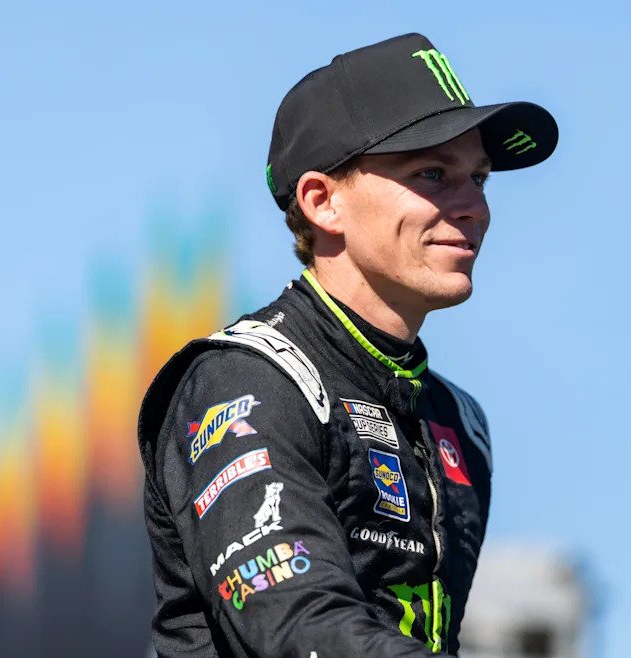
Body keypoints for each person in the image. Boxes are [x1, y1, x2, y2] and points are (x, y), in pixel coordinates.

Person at [137, 32, 557, 657]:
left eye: (480, 178)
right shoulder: (245, 381)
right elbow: (301, 629)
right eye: (434, 174)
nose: (473, 207)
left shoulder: (458, 421)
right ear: (322, 201)